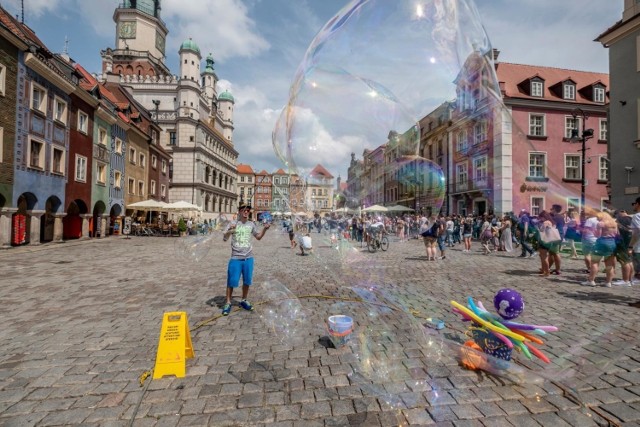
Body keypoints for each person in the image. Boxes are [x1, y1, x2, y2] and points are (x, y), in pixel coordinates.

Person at [220, 203, 270, 316]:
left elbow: (258, 237)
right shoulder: (233, 223)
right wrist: (229, 231)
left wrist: (265, 229)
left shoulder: (251, 224)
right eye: (244, 210)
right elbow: (224, 238)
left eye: (248, 210)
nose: (246, 212)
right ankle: (228, 302)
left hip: (248, 258)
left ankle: (244, 300)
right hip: (235, 258)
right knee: (231, 281)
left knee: (247, 281)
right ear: (240, 211)